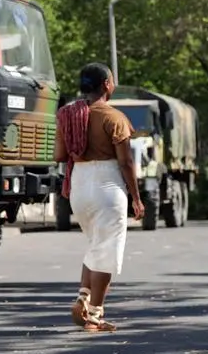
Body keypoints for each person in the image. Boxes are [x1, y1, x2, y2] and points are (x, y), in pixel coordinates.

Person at [54, 63, 145, 331]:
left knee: (96, 245)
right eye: (113, 80)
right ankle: (94, 316)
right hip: (107, 187)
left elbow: (59, 156)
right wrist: (136, 198)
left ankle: (82, 299)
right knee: (106, 254)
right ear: (106, 84)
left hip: (79, 187)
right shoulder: (113, 117)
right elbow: (126, 163)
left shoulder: (66, 115)